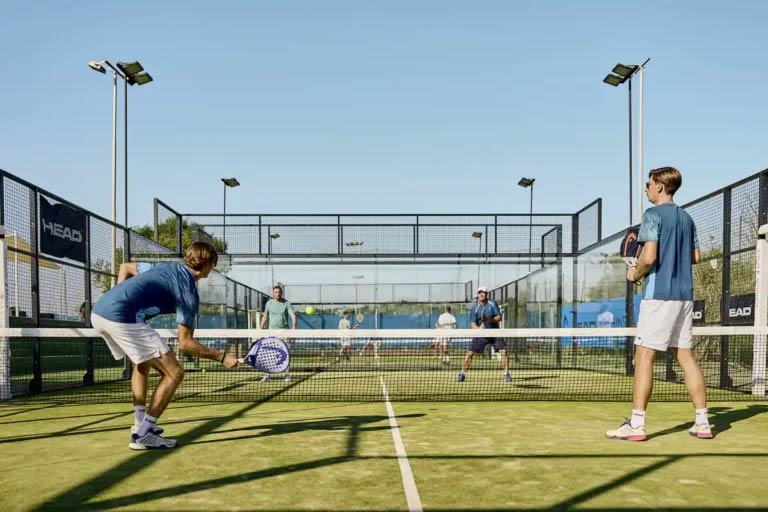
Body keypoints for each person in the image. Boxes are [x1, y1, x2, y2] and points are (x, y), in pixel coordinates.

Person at [91, 242, 238, 450]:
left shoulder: (164, 267)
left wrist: (120, 297)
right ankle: (144, 435)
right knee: (174, 373)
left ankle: (139, 424)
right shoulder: (188, 293)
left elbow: (125, 267)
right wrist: (222, 357)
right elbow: (186, 343)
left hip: (99, 311)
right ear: (208, 266)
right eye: (213, 264)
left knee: (142, 362)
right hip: (122, 317)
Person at [606, 166, 712, 441]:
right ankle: (703, 422)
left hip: (659, 296)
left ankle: (636, 425)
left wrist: (635, 273)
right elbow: (696, 257)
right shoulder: (687, 218)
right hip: (684, 297)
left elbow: (650, 256)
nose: (647, 188)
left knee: (643, 356)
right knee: (686, 356)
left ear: (661, 187)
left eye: (649, 184)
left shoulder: (652, 215)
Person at [457, 286, 511, 382]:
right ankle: (462, 373)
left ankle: (506, 374)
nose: (482, 294)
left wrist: (489, 319)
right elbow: (473, 324)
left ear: (486, 294)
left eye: (484, 293)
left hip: (494, 333)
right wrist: (479, 329)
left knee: (504, 351)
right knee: (469, 353)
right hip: (481, 334)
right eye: (480, 292)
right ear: (477, 294)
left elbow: (499, 317)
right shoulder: (474, 307)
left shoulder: (492, 303)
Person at [259, 285, 297, 382]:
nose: (278, 294)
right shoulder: (269, 304)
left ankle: (287, 375)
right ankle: (267, 376)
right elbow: (265, 317)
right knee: (268, 355)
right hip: (271, 332)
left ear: (281, 293)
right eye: (276, 292)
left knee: (286, 354)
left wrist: (294, 328)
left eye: (279, 292)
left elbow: (293, 315)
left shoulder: (286, 303)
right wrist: (260, 329)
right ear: (273, 293)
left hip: (284, 333)